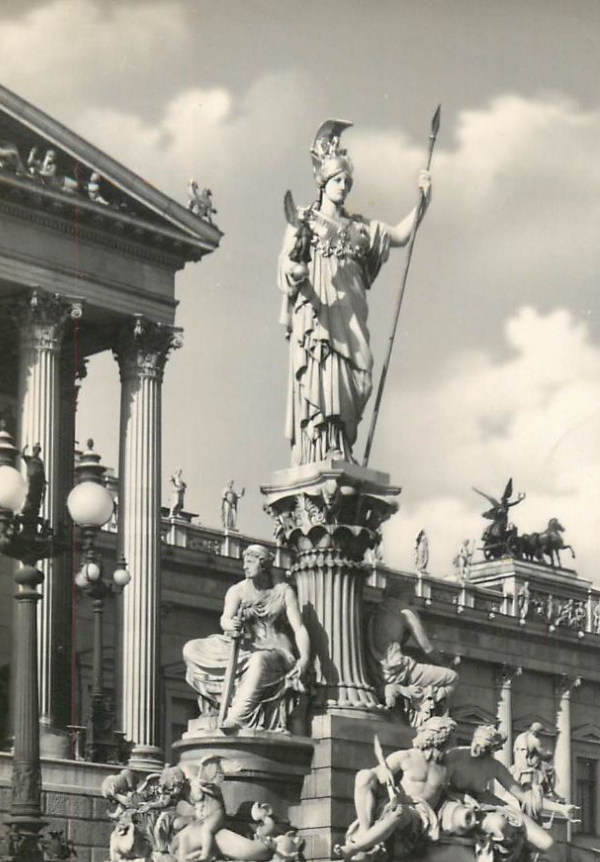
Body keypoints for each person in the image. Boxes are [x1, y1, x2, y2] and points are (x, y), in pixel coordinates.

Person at [279, 119, 431, 465]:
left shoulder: (361, 228)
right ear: (323, 182)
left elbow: (401, 235)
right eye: (337, 180)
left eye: (347, 181)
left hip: (352, 316)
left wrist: (424, 199)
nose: (343, 186)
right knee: (324, 375)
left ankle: (342, 448)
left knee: (361, 377)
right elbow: (286, 265)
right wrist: (296, 272)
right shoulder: (305, 221)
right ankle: (323, 448)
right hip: (320, 315)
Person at [183, 544, 311, 732]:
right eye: (245, 562)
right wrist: (230, 625)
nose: (245, 567)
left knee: (258, 660)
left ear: (264, 565)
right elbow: (225, 619)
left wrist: (305, 658)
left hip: (276, 651)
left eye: (250, 562)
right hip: (244, 646)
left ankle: (237, 716)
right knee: (191, 648)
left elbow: (299, 628)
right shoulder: (238, 590)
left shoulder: (283, 592)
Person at [444, 725, 585, 862]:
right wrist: (461, 797)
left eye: (484, 748)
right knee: (499, 826)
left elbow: (523, 796)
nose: (477, 749)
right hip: (457, 804)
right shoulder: (454, 756)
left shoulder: (493, 766)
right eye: (476, 743)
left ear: (492, 749)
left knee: (548, 842)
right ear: (473, 738)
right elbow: (439, 786)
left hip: (487, 803)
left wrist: (560, 809)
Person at [335, 717, 459, 862]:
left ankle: (354, 848)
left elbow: (454, 792)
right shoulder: (406, 756)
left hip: (420, 814)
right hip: (396, 802)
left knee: (399, 811)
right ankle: (364, 831)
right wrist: (382, 772)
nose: (452, 744)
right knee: (364, 775)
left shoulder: (447, 767)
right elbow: (376, 774)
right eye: (450, 739)